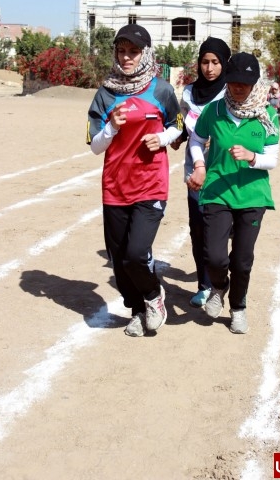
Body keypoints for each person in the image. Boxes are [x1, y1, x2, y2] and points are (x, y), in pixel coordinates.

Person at [87, 24, 183, 337]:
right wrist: (112, 127)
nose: (126, 57)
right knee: (118, 259)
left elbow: (178, 126)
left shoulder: (161, 90)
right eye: (121, 51)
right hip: (115, 186)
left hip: (150, 184)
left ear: (145, 54)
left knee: (136, 253)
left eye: (133, 51)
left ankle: (154, 295)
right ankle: (139, 311)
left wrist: (162, 138)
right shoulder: (105, 93)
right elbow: (95, 146)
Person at [187, 52, 280, 334]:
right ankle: (219, 287)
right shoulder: (214, 110)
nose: (239, 87)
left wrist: (252, 157)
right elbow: (196, 139)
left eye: (245, 83)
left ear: (255, 83)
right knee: (215, 257)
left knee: (241, 260)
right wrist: (200, 165)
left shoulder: (268, 115)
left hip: (253, 196)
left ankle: (238, 308)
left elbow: (272, 159)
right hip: (217, 192)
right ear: (227, 80)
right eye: (234, 81)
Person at [170, 37, 231, 308]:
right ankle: (205, 286)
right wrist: (179, 137)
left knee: (218, 229)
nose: (209, 68)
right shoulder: (188, 93)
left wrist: (215, 138)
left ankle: (221, 280)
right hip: (194, 170)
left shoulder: (231, 91)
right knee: (198, 228)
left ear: (224, 63)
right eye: (205, 62)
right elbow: (185, 123)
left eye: (215, 62)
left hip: (223, 170)